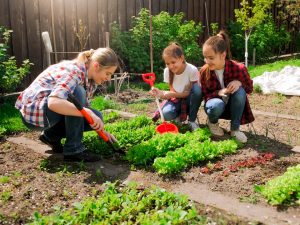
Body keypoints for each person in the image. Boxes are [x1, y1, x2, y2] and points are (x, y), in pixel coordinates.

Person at [15, 48, 119, 162]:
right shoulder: (74, 71)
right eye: (108, 73)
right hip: (35, 112)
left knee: (96, 116)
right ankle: (74, 151)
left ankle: (50, 136)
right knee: (78, 92)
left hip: (48, 112)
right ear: (96, 66)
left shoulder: (90, 80)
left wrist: (102, 131)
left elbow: (82, 109)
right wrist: (87, 112)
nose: (109, 78)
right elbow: (53, 103)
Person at [199, 31, 254, 143]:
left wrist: (239, 83)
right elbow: (204, 95)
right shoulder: (204, 71)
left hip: (233, 107)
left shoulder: (239, 68)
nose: (207, 61)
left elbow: (249, 88)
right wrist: (218, 92)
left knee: (240, 92)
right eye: (205, 57)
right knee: (215, 105)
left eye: (211, 58)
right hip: (215, 107)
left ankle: (235, 129)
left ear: (223, 55)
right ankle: (213, 123)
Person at [150, 42, 202, 131]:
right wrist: (160, 93)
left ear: (181, 58)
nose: (171, 66)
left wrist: (171, 94)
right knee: (166, 113)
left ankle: (192, 120)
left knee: (197, 89)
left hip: (190, 100)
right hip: (176, 99)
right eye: (167, 63)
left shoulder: (192, 70)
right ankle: (178, 117)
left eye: (173, 62)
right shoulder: (167, 71)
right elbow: (171, 91)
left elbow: (193, 92)